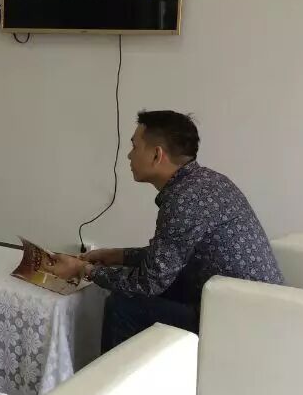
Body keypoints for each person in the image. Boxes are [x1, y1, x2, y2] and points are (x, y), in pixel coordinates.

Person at [44, 110, 283, 352]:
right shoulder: (208, 182)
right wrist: (117, 256)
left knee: (123, 306)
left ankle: (114, 376)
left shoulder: (184, 201)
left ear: (157, 155)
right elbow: (170, 257)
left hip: (241, 321)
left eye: (134, 146)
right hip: (256, 306)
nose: (129, 155)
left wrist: (84, 270)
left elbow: (149, 282)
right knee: (137, 284)